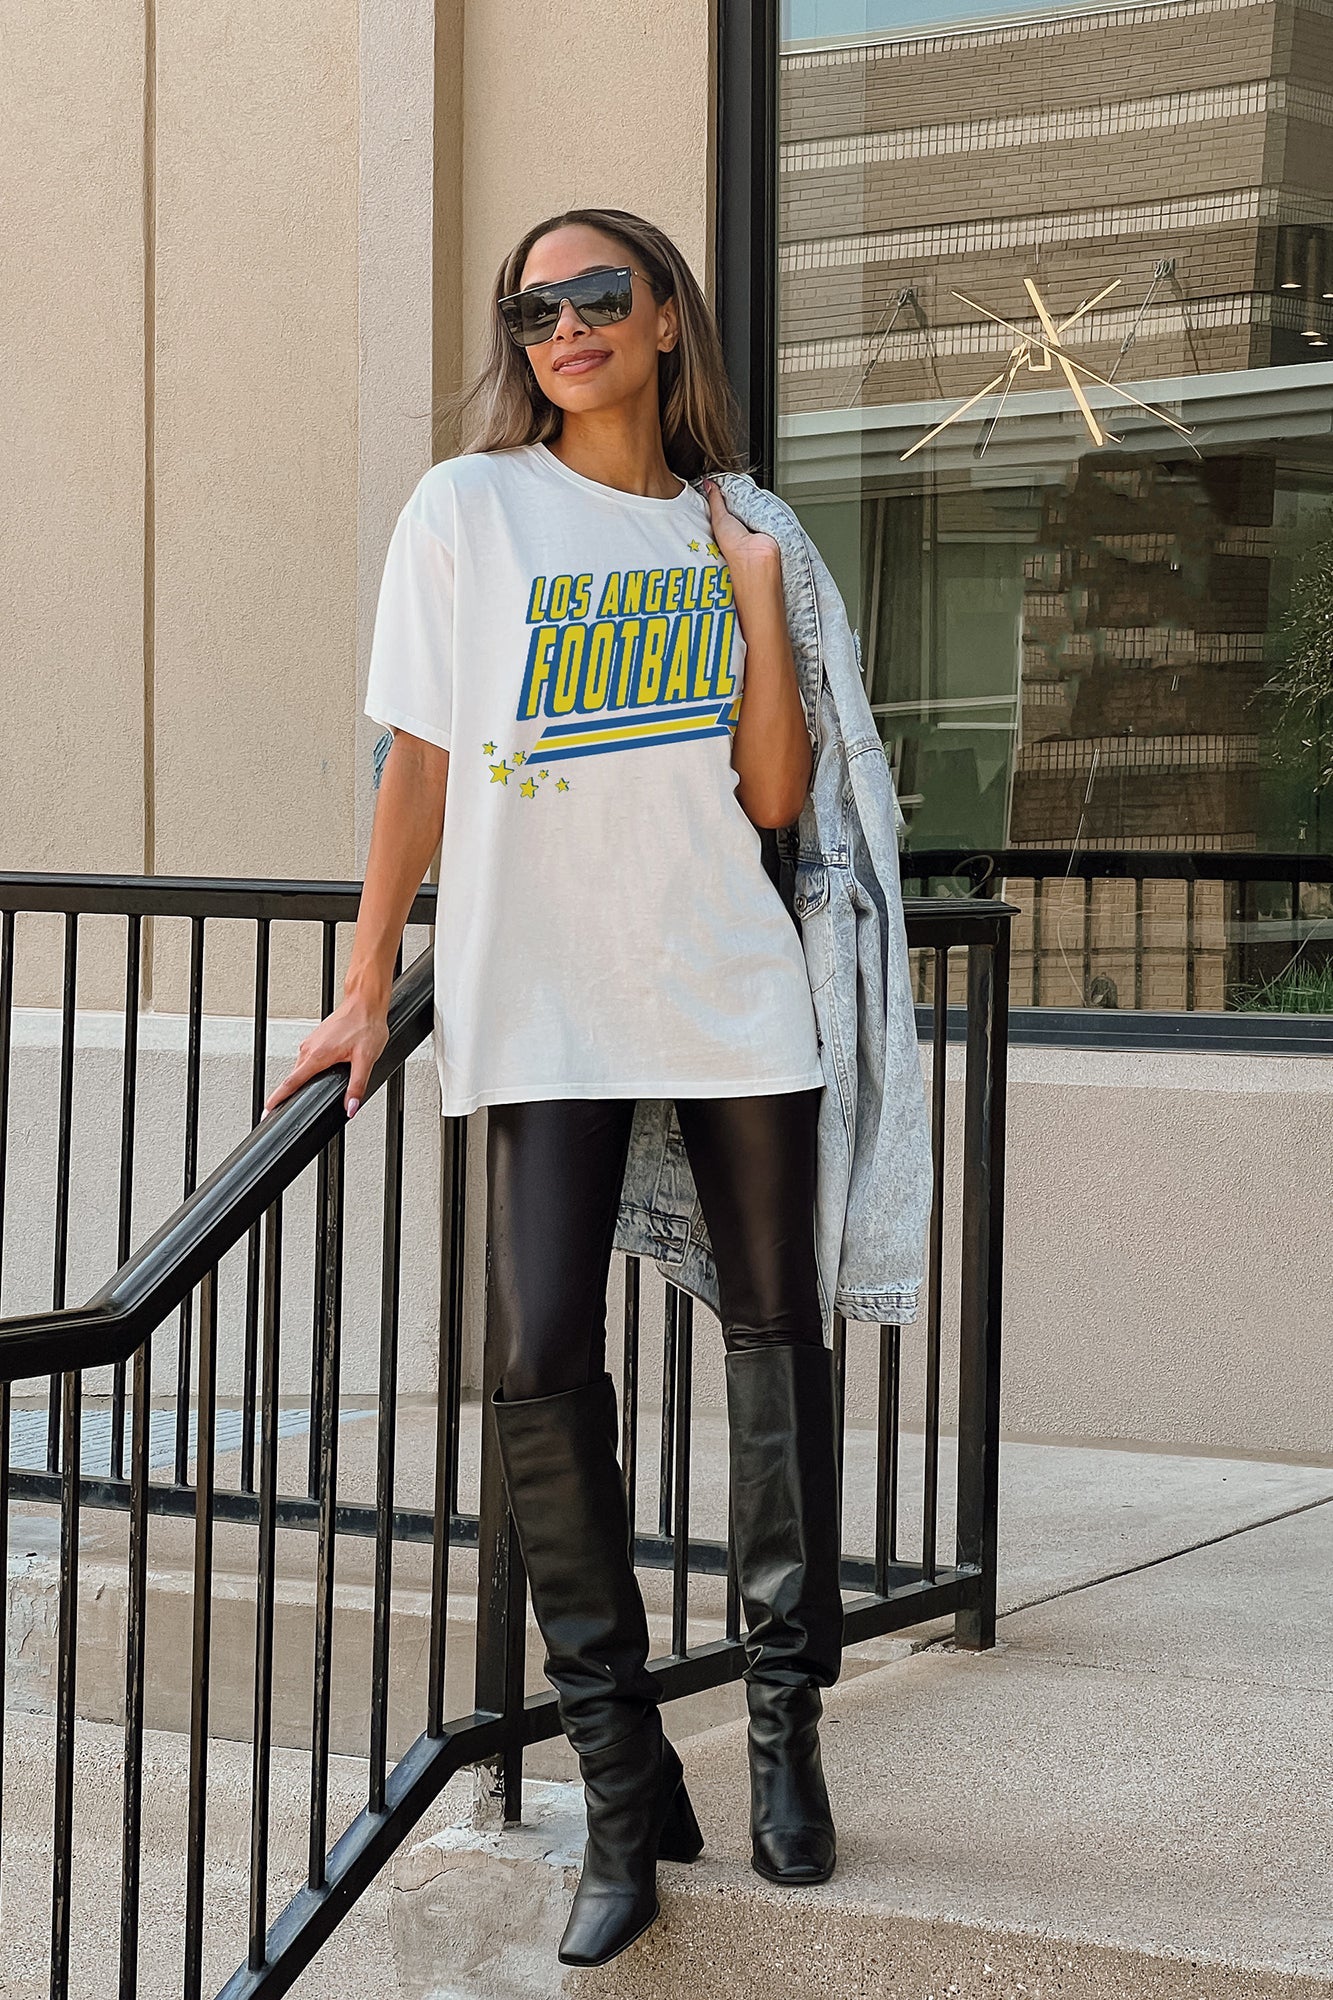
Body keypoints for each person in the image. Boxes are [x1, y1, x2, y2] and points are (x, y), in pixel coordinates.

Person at [262, 206, 844, 1970]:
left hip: (725, 980)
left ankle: (783, 1735)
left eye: (600, 295)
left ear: (665, 318)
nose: (566, 326)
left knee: (776, 1339)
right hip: (541, 995)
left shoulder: (737, 530)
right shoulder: (469, 508)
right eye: (535, 308)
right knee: (531, 1360)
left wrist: (752, 597)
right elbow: (420, 762)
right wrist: (364, 989)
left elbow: (770, 799)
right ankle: (619, 1775)